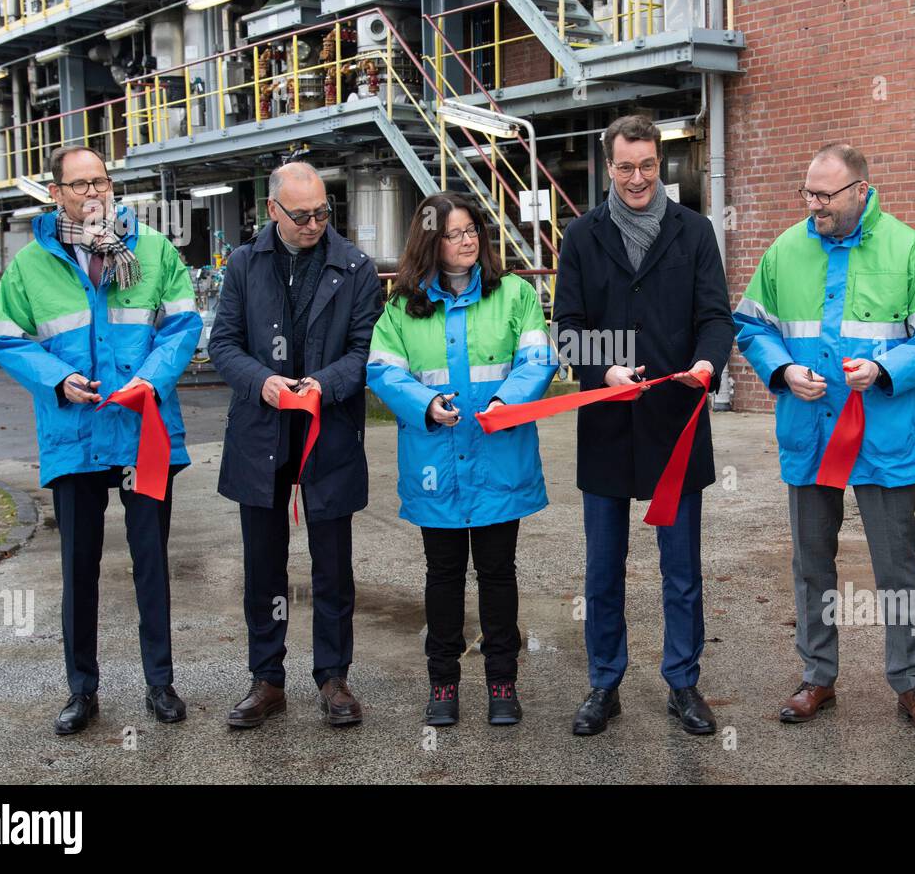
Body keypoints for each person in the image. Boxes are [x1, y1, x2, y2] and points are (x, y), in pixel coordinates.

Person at [734, 143, 915, 735]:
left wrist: (885, 371)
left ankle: (912, 684)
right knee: (812, 564)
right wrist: (782, 371)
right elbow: (751, 324)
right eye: (807, 194)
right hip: (810, 434)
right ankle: (817, 677)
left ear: (862, 189)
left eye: (825, 196)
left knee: (898, 567)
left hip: (883, 437)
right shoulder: (785, 250)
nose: (814, 206)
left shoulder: (908, 249)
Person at [0, 144, 201, 735]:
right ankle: (82, 691)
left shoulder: (152, 251)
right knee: (79, 570)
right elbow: (5, 339)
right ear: (56, 194)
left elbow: (183, 328)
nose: (93, 193)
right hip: (74, 437)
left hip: (143, 435)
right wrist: (59, 379)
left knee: (151, 563)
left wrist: (146, 382)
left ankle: (161, 684)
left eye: (100, 182)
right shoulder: (30, 266)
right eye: (78, 185)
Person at [553, 114, 736, 736]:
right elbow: (567, 331)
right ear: (609, 166)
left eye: (648, 166)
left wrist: (708, 364)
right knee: (603, 568)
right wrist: (603, 370)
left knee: (680, 569)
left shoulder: (694, 232)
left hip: (675, 423)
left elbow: (716, 316)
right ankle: (604, 683)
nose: (637, 178)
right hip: (606, 423)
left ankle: (683, 682)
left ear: (662, 163)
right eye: (626, 166)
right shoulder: (581, 235)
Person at [367, 192, 557, 727]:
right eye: (453, 233)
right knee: (443, 575)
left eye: (472, 229)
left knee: (498, 574)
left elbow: (538, 356)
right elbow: (383, 371)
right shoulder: (402, 307)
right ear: (430, 241)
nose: (467, 240)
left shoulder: (514, 294)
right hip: (437, 464)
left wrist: (507, 402)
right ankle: (443, 684)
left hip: (498, 458)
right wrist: (425, 404)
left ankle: (502, 682)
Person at [208, 162, 382, 729]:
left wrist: (323, 386)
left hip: (327, 431)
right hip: (262, 432)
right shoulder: (244, 263)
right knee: (264, 565)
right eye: (301, 215)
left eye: (322, 213)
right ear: (273, 212)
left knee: (332, 565)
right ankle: (267, 679)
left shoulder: (354, 267)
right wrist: (264, 382)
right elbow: (224, 343)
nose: (313, 224)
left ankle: (334, 677)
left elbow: (365, 350)